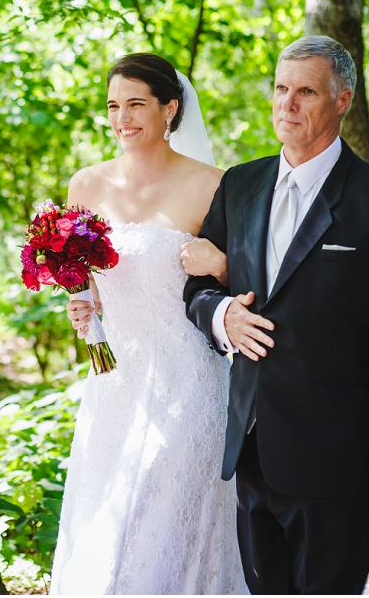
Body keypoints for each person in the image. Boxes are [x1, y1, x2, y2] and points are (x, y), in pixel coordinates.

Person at [183, 35, 369, 594]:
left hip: (343, 460)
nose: (288, 104)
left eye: (306, 91)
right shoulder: (240, 184)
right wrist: (221, 314)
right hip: (252, 448)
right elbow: (198, 287)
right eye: (281, 89)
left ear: (343, 100)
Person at [49, 53, 247, 595]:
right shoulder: (87, 185)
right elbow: (80, 274)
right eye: (114, 105)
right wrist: (79, 300)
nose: (122, 118)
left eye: (136, 104)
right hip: (113, 383)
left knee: (162, 516)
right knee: (107, 515)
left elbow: (248, 280)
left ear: (170, 109)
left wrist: (224, 265)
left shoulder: (215, 185)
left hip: (190, 380)